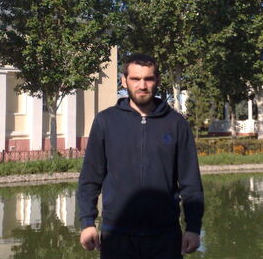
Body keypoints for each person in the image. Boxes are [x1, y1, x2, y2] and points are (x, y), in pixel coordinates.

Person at [77, 53, 204, 258]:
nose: (142, 85)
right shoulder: (105, 121)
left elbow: (191, 183)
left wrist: (193, 228)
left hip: (165, 236)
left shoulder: (176, 123)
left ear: (158, 81)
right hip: (117, 234)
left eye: (148, 79)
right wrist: (87, 222)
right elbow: (90, 178)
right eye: (135, 79)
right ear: (124, 81)